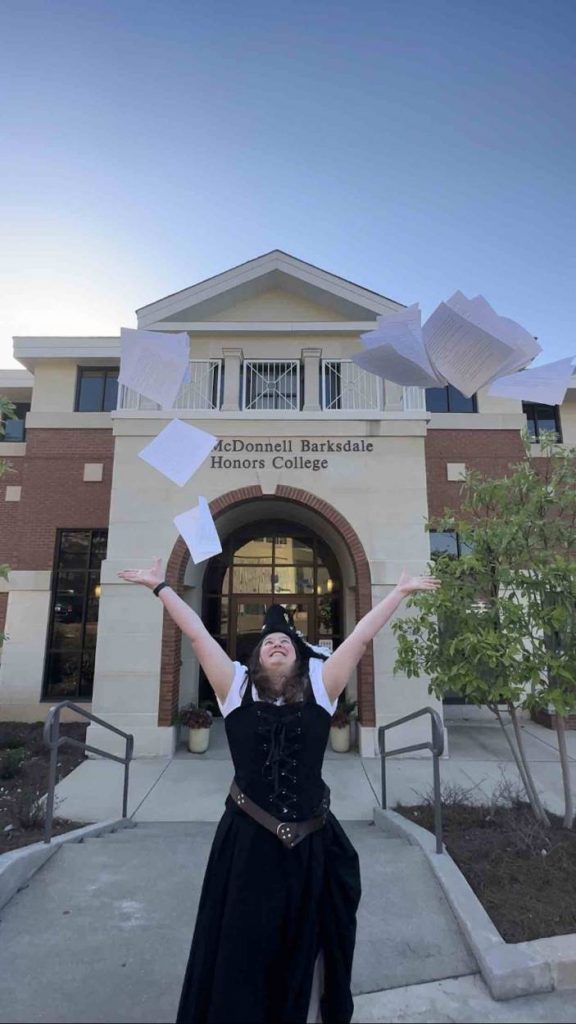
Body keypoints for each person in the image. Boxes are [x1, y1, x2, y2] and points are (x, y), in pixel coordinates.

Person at [118, 558, 440, 1024]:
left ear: (298, 658)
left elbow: (361, 638)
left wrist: (399, 592)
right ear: (256, 657)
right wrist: (161, 586)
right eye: (268, 641)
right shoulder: (234, 690)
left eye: (285, 642)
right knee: (243, 949)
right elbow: (197, 636)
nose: (275, 644)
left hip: (310, 845)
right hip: (247, 845)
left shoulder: (322, 689)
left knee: (305, 945)